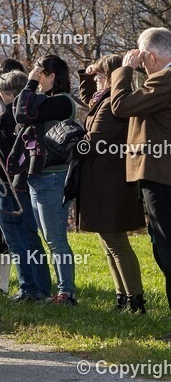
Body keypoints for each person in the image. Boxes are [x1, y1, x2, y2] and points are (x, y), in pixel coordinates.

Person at [76, 54, 147, 312]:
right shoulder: (104, 100)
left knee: (117, 243)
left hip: (109, 185)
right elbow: (89, 99)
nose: (96, 80)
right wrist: (87, 74)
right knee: (108, 244)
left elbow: (93, 142)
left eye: (100, 76)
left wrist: (70, 142)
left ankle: (135, 300)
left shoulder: (110, 105)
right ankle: (122, 297)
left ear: (111, 78)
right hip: (103, 182)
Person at [111, 27, 171, 317]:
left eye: (143, 60)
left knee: (167, 250)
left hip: (162, 178)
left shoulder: (165, 81)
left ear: (151, 56)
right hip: (160, 176)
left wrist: (125, 70)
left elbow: (121, 105)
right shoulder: (160, 81)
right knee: (163, 248)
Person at [14, 54, 79, 305]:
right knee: (49, 237)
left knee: (56, 238)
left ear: (52, 76)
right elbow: (22, 110)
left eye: (39, 73)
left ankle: (67, 293)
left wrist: (30, 84)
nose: (35, 76)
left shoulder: (62, 102)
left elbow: (21, 113)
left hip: (53, 176)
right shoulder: (44, 101)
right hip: (39, 176)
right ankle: (62, 290)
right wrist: (32, 86)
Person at [0, 68, 52, 302]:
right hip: (14, 183)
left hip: (7, 185)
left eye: (1, 93)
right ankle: (39, 287)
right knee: (28, 236)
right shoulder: (22, 115)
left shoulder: (5, 116)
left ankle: (30, 288)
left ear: (11, 94)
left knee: (17, 238)